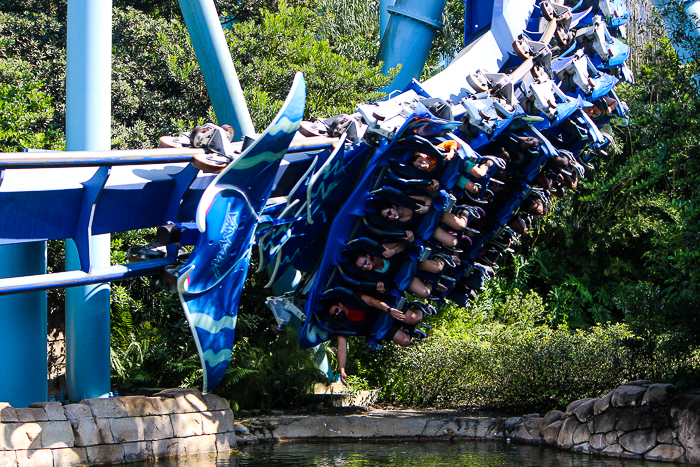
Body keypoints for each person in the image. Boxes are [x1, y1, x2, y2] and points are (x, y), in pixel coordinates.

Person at [323, 295, 423, 386]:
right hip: (380, 328)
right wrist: (342, 370)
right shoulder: (340, 325)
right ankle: (407, 329)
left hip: (386, 312)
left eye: (336, 310)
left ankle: (419, 307)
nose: (337, 314)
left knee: (416, 318)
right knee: (405, 341)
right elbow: (342, 347)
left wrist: (390, 310)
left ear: (340, 305)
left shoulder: (352, 299)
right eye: (334, 315)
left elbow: (374, 301)